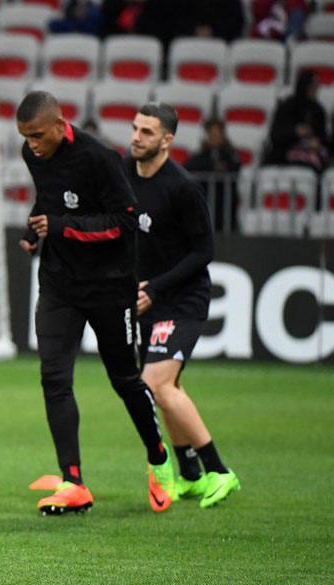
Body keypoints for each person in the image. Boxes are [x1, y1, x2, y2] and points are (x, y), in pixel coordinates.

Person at [16, 91, 175, 516]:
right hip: (59, 285)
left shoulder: (100, 159)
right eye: (25, 136)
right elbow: (49, 199)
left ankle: (158, 457)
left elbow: (124, 223)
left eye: (36, 135)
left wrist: (63, 228)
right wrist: (36, 232)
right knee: (54, 377)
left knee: (124, 379)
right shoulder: (33, 154)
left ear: (58, 124)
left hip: (108, 287)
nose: (31, 144)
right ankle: (73, 482)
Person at [125, 103, 240, 508]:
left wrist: (155, 288)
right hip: (148, 299)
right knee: (166, 388)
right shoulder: (125, 174)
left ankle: (219, 471)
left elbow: (204, 251)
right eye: (136, 129)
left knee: (154, 383)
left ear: (167, 140)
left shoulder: (183, 187)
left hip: (182, 299)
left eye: (147, 133)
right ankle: (190, 473)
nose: (137, 137)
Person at [266, 70, 330, 173]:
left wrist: (317, 141)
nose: (316, 90)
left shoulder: (318, 110)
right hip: (286, 150)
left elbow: (323, 135)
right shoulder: (287, 106)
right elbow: (276, 135)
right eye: (312, 86)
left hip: (310, 152)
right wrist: (294, 131)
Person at [184, 118, 241, 233]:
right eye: (211, 133)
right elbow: (189, 165)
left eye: (217, 133)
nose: (215, 136)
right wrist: (212, 166)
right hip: (206, 199)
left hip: (225, 200)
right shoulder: (202, 153)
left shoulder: (230, 153)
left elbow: (235, 165)